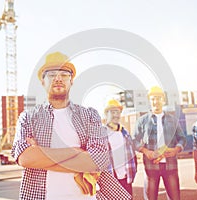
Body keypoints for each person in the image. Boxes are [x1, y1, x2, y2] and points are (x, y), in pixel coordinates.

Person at [11, 51, 131, 200]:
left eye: (64, 74)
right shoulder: (28, 118)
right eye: (52, 74)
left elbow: (98, 160)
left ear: (71, 81)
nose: (58, 78)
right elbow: (25, 158)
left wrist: (41, 155)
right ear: (43, 81)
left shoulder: (89, 115)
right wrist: (76, 152)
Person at [133, 86, 187, 200]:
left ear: (163, 100)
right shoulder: (142, 121)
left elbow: (182, 138)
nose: (156, 101)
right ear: (149, 100)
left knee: (175, 198)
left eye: (158, 98)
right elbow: (134, 140)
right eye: (153, 99)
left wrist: (176, 149)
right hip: (151, 167)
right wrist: (145, 151)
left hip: (170, 166)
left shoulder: (173, 120)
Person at [103, 99, 137, 197]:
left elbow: (132, 155)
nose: (116, 115)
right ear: (106, 114)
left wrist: (132, 172)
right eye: (112, 112)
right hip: (110, 181)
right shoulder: (100, 134)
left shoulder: (125, 133)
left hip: (126, 179)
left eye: (118, 112)